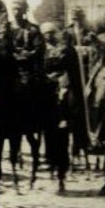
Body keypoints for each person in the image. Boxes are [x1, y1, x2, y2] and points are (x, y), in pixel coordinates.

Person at [40, 21, 80, 192]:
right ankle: (51, 163)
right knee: (49, 133)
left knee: (62, 136)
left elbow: (73, 71)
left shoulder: (66, 49)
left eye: (52, 32)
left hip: (63, 87)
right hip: (46, 90)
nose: (49, 36)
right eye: (46, 33)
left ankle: (62, 172)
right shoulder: (41, 50)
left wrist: (65, 81)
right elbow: (38, 69)